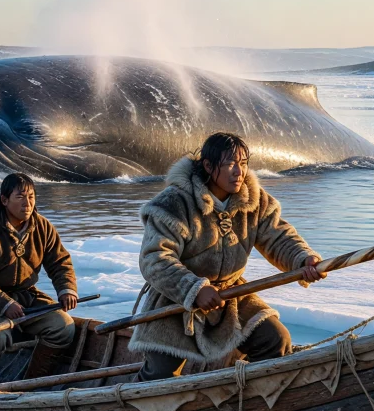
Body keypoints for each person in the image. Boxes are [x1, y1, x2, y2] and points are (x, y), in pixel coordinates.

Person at [132, 132, 323, 382]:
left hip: (231, 296)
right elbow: (155, 259)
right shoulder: (174, 203)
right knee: (159, 374)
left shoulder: (254, 200)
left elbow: (278, 237)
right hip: (176, 301)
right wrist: (195, 289)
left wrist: (302, 259)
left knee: (275, 340)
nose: (239, 172)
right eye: (231, 164)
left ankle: (248, 407)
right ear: (208, 166)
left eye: (243, 164)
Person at [0, 173, 79, 384]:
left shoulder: (43, 226)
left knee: (63, 328)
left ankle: (31, 385)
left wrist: (66, 289)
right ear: (4, 200)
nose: (28, 203)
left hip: (26, 297)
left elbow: (60, 262)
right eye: (20, 197)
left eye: (32, 197)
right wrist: (4, 304)